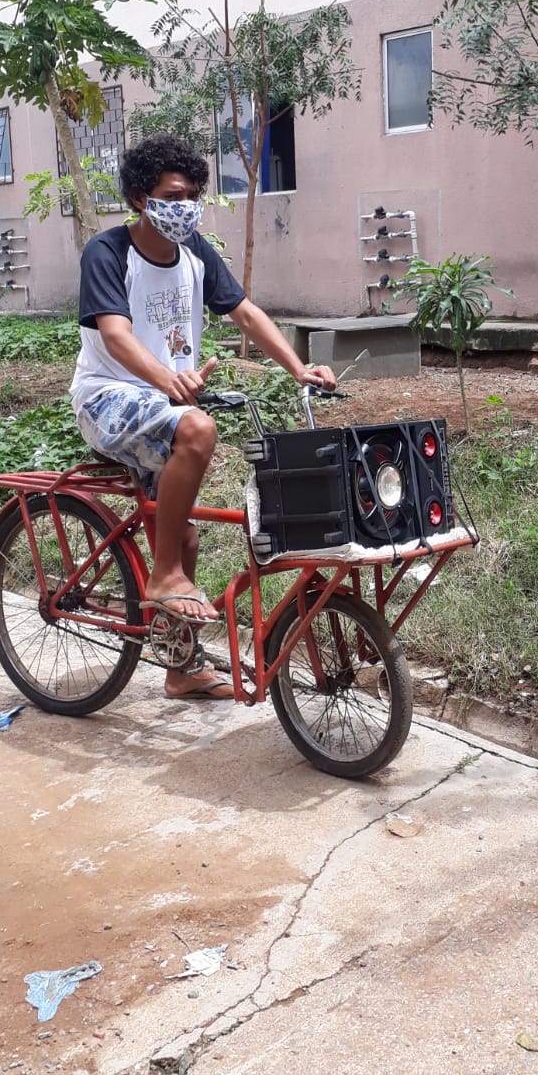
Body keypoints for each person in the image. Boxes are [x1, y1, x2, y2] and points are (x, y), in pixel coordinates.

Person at [70, 133, 336, 700]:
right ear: (140, 197)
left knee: (183, 536)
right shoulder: (108, 252)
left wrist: (299, 369)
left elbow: (246, 314)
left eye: (192, 195)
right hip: (106, 399)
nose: (185, 206)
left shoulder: (195, 253)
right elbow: (115, 336)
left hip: (164, 406)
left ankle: (181, 667)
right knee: (198, 428)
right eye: (173, 195)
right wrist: (168, 381)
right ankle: (163, 575)